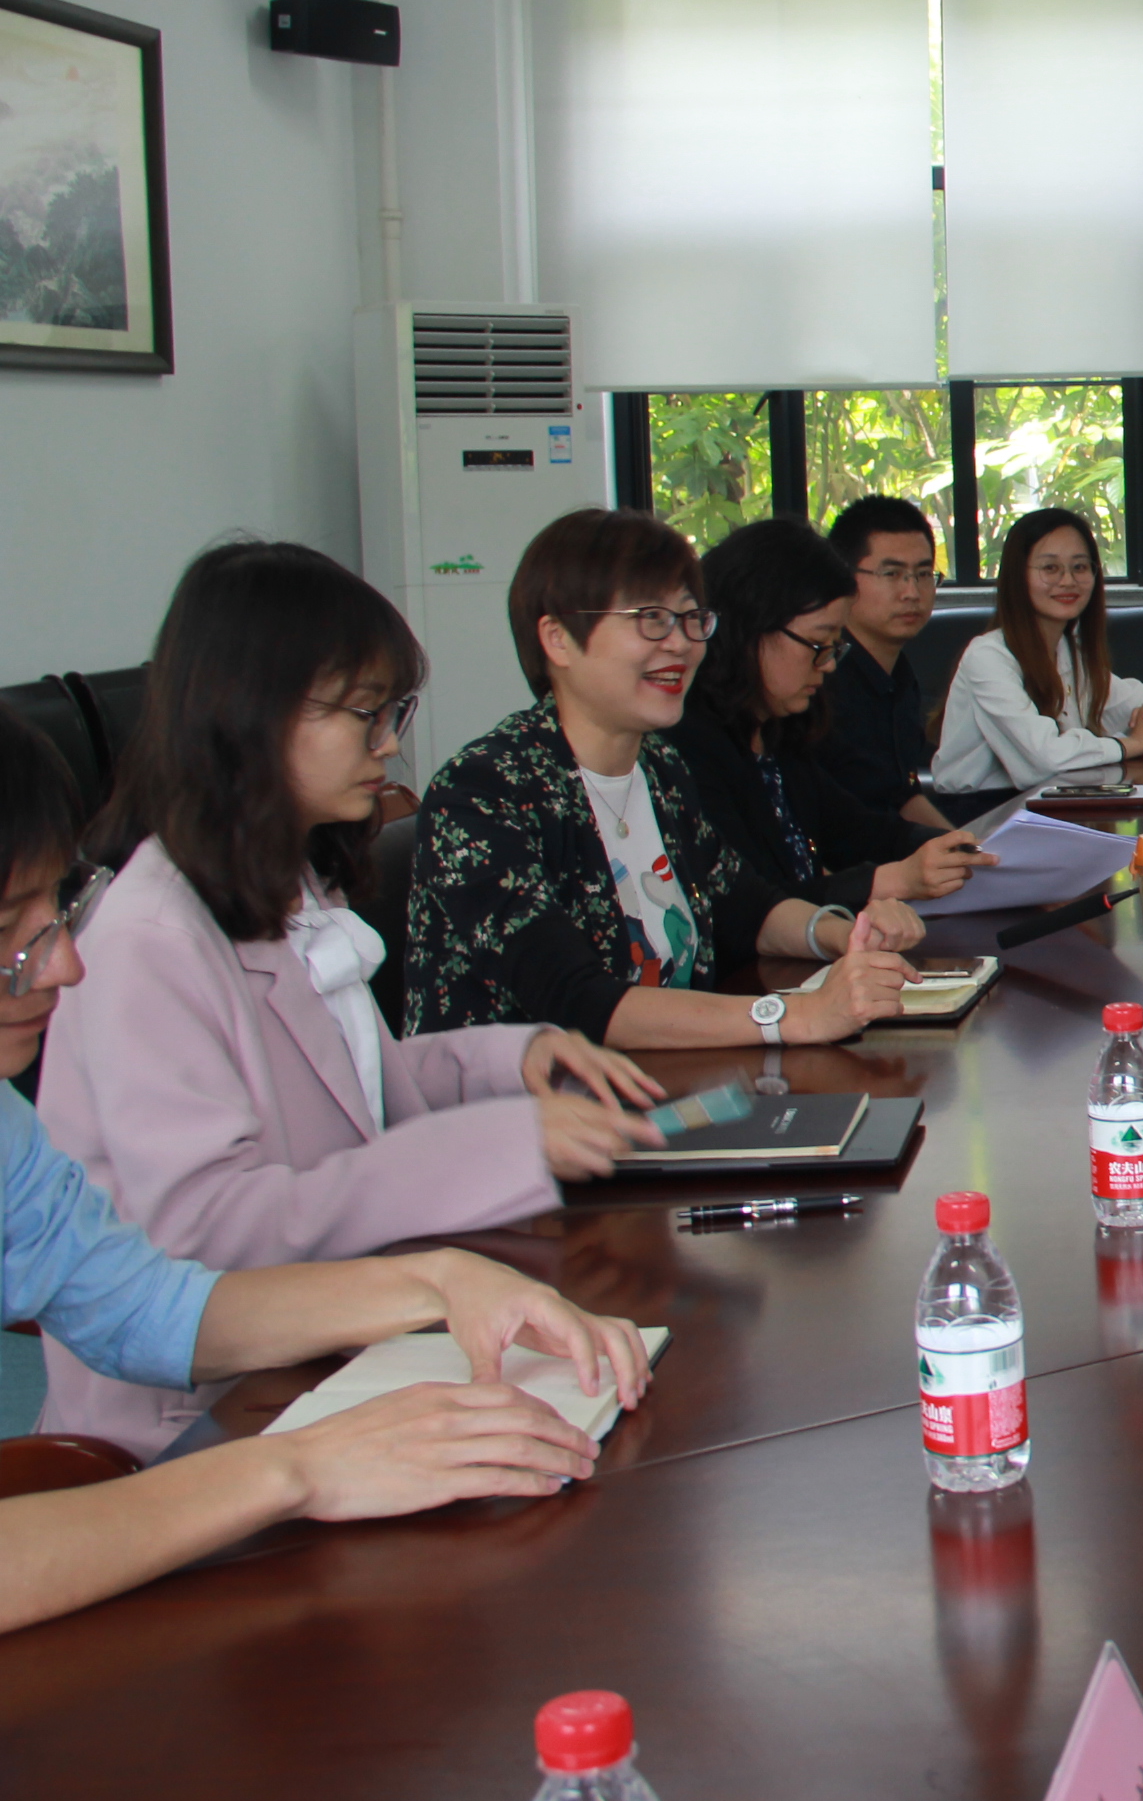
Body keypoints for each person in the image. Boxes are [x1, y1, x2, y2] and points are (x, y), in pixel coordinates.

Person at [0, 705, 649, 1627]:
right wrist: (296, 1468)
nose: (65, 967)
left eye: (55, 911)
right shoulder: (152, 928)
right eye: (11, 933)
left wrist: (439, 1282)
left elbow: (141, 1307)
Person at [36, 542, 672, 1458]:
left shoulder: (283, 877)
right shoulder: (148, 938)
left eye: (392, 713)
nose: (390, 746)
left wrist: (514, 1059)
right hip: (203, 1416)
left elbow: (343, 1085)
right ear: (250, 712)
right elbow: (212, 1233)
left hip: (334, 1341)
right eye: (367, 715)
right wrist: (498, 1142)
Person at [406, 509, 919, 1048]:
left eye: (691, 618)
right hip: (527, 1099)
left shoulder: (659, 767)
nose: (680, 643)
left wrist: (848, 937)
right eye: (651, 618)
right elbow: (577, 1001)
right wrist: (794, 1016)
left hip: (667, 1080)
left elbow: (746, 907)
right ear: (558, 639)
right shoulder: (482, 793)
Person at [665, 518, 993, 914]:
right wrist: (893, 880)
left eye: (835, 647)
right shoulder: (687, 748)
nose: (829, 664)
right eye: (819, 644)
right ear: (751, 628)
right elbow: (749, 906)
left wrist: (960, 849)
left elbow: (854, 829)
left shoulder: (778, 731)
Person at [931, 508, 1143, 797]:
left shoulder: (1067, 651)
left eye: (1079, 567)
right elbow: (1044, 759)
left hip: (1056, 799)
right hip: (982, 811)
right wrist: (1137, 743)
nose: (1068, 581)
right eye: (1050, 568)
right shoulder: (988, 656)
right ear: (1018, 576)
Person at [816, 495, 959, 833]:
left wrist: (970, 849)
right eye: (892, 573)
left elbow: (902, 796)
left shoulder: (900, 677)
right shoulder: (821, 678)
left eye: (923, 574)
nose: (912, 592)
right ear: (844, 578)